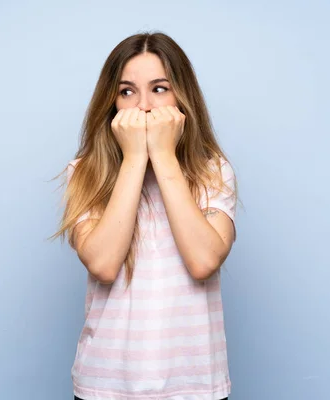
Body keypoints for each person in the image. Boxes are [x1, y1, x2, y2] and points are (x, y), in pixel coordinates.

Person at [55, 31, 238, 400]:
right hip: (104, 386)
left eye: (159, 88)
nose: (143, 106)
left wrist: (164, 156)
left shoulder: (213, 172)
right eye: (126, 91)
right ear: (112, 103)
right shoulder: (85, 172)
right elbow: (103, 265)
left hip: (195, 386)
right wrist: (136, 158)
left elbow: (204, 261)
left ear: (181, 96)